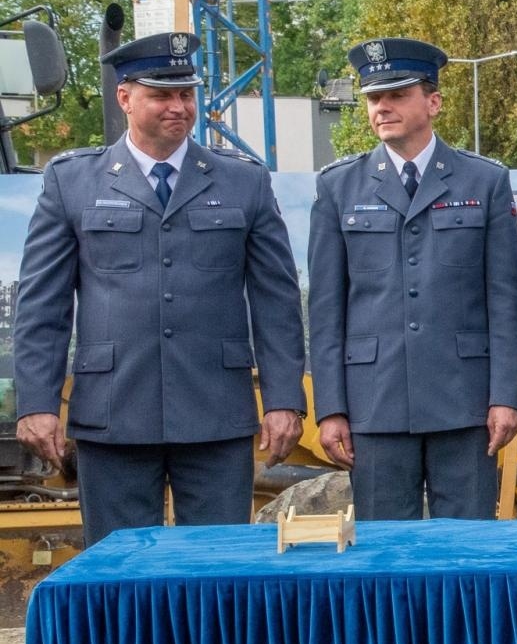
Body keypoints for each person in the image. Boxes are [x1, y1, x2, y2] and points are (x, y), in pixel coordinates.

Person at [14, 32, 306, 545]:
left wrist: (284, 399)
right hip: (114, 413)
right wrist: (36, 403)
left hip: (216, 415)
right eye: (162, 95)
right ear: (125, 98)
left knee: (218, 572)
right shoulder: (73, 181)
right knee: (120, 573)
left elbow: (276, 301)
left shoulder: (244, 182)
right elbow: (43, 304)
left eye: (186, 94)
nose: (179, 106)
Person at [308, 37, 517, 519]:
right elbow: (326, 310)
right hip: (375, 403)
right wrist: (331, 409)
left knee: (465, 556)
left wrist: (505, 396)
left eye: (397, 95)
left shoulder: (483, 182)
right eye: (373, 98)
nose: (382, 107)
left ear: (433, 101)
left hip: (465, 402)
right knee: (385, 561)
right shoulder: (338, 186)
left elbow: (506, 299)